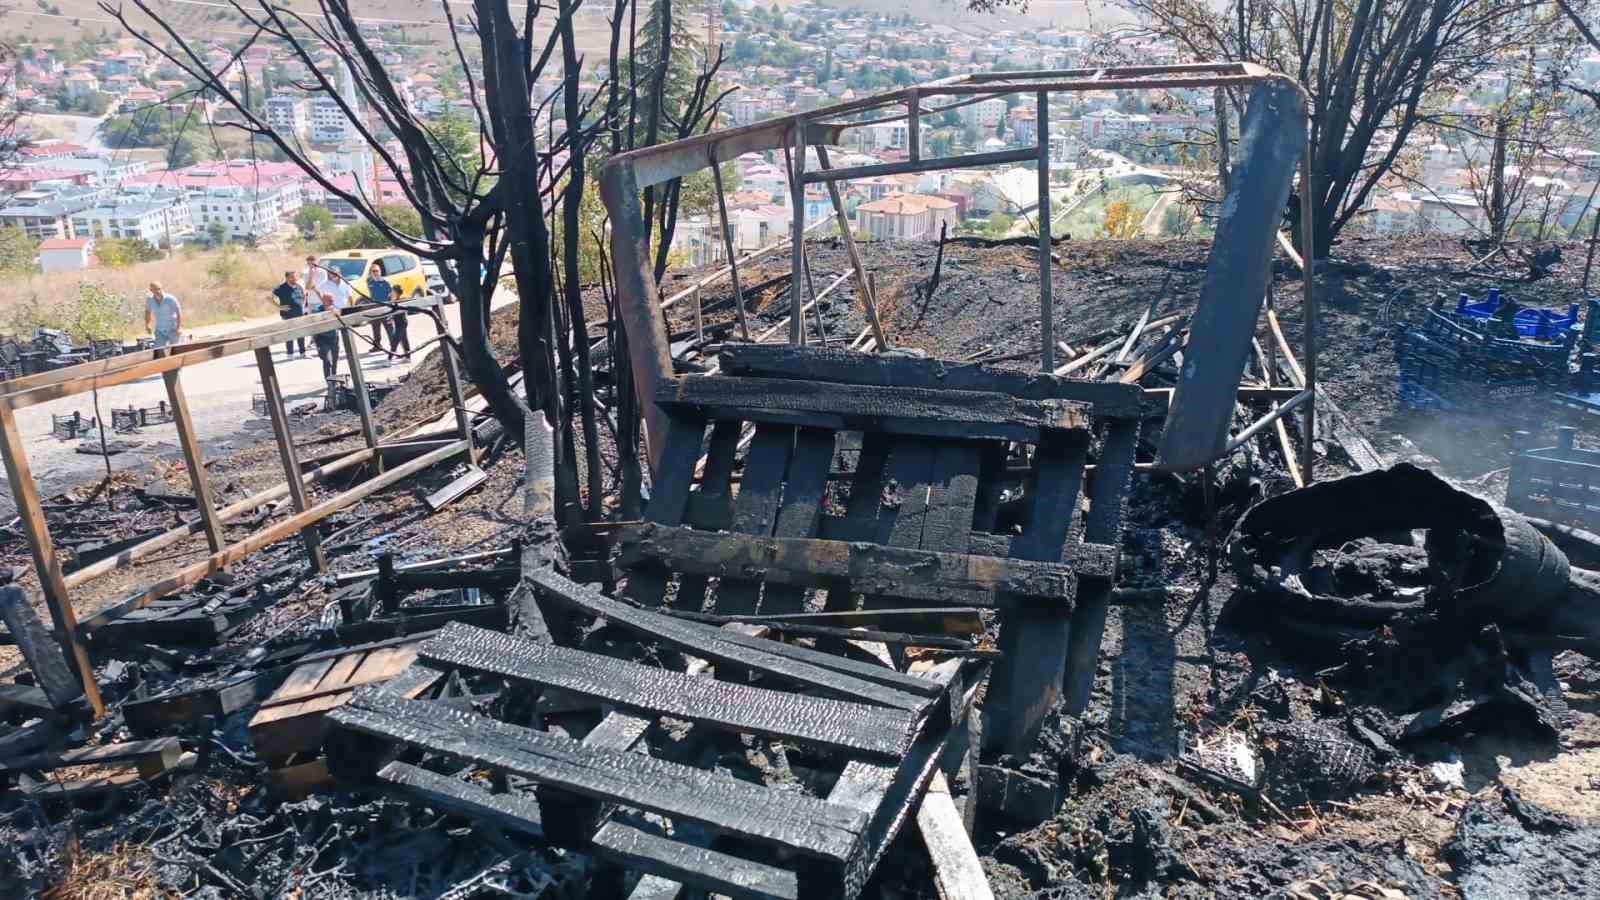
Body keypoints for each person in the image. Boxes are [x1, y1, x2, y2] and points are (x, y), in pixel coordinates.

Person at [272, 270, 307, 357]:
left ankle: (302, 353)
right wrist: (279, 307)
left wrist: (303, 305)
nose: (294, 278)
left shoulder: (298, 286)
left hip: (299, 315)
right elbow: (269, 297)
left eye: (295, 277)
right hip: (287, 315)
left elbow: (304, 295)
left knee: (301, 334)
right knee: (289, 335)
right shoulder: (281, 288)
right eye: (292, 277)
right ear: (287, 278)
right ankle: (290, 354)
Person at [144, 282, 182, 349]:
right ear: (151, 290)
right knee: (158, 350)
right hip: (160, 330)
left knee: (176, 350)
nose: (158, 291)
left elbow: (179, 313)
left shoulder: (170, 299)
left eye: (159, 289)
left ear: (162, 288)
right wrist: (147, 325)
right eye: (155, 289)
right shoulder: (150, 300)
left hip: (172, 329)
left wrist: (178, 328)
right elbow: (147, 312)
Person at [365, 260, 391, 351]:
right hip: (374, 308)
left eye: (377, 271)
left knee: (390, 329)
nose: (375, 273)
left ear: (380, 271)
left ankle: (393, 347)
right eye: (373, 271)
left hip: (385, 308)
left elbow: (390, 296)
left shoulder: (385, 282)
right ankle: (377, 346)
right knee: (375, 329)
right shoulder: (369, 282)